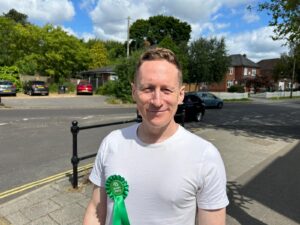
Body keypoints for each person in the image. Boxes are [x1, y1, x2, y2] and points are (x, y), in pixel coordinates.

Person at [83, 48, 229, 225]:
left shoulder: (205, 156)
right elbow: (96, 209)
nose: (157, 101)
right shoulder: (112, 142)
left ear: (181, 95)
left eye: (167, 89)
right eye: (148, 88)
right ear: (134, 92)